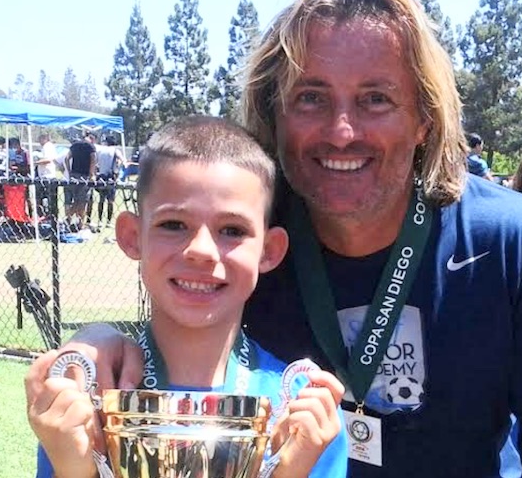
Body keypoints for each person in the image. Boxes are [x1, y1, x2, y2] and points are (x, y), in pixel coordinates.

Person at [56, 0, 522, 476]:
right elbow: (174, 339)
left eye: (375, 99)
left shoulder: (513, 242)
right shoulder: (250, 243)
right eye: (311, 98)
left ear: (424, 118)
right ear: (275, 115)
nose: (342, 131)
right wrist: (96, 344)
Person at [25, 116, 348, 478]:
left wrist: (290, 470)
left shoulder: (303, 414)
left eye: (232, 230)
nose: (201, 250)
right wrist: (74, 466)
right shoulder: (89, 397)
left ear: (269, 250)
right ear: (133, 236)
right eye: (174, 225)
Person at [64, 130, 96, 228]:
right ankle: (79, 223)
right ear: (92, 137)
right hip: (85, 177)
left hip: (74, 176)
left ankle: (69, 219)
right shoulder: (91, 147)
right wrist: (92, 174)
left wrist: (69, 172)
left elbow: (66, 158)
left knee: (75, 200)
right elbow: (93, 160)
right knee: (82, 201)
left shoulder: (74, 145)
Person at [93, 135, 125, 229]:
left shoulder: (100, 150)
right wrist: (118, 170)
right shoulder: (115, 150)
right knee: (110, 201)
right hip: (110, 177)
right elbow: (122, 160)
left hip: (101, 176)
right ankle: (108, 221)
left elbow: (96, 162)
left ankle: (99, 220)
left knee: (101, 200)